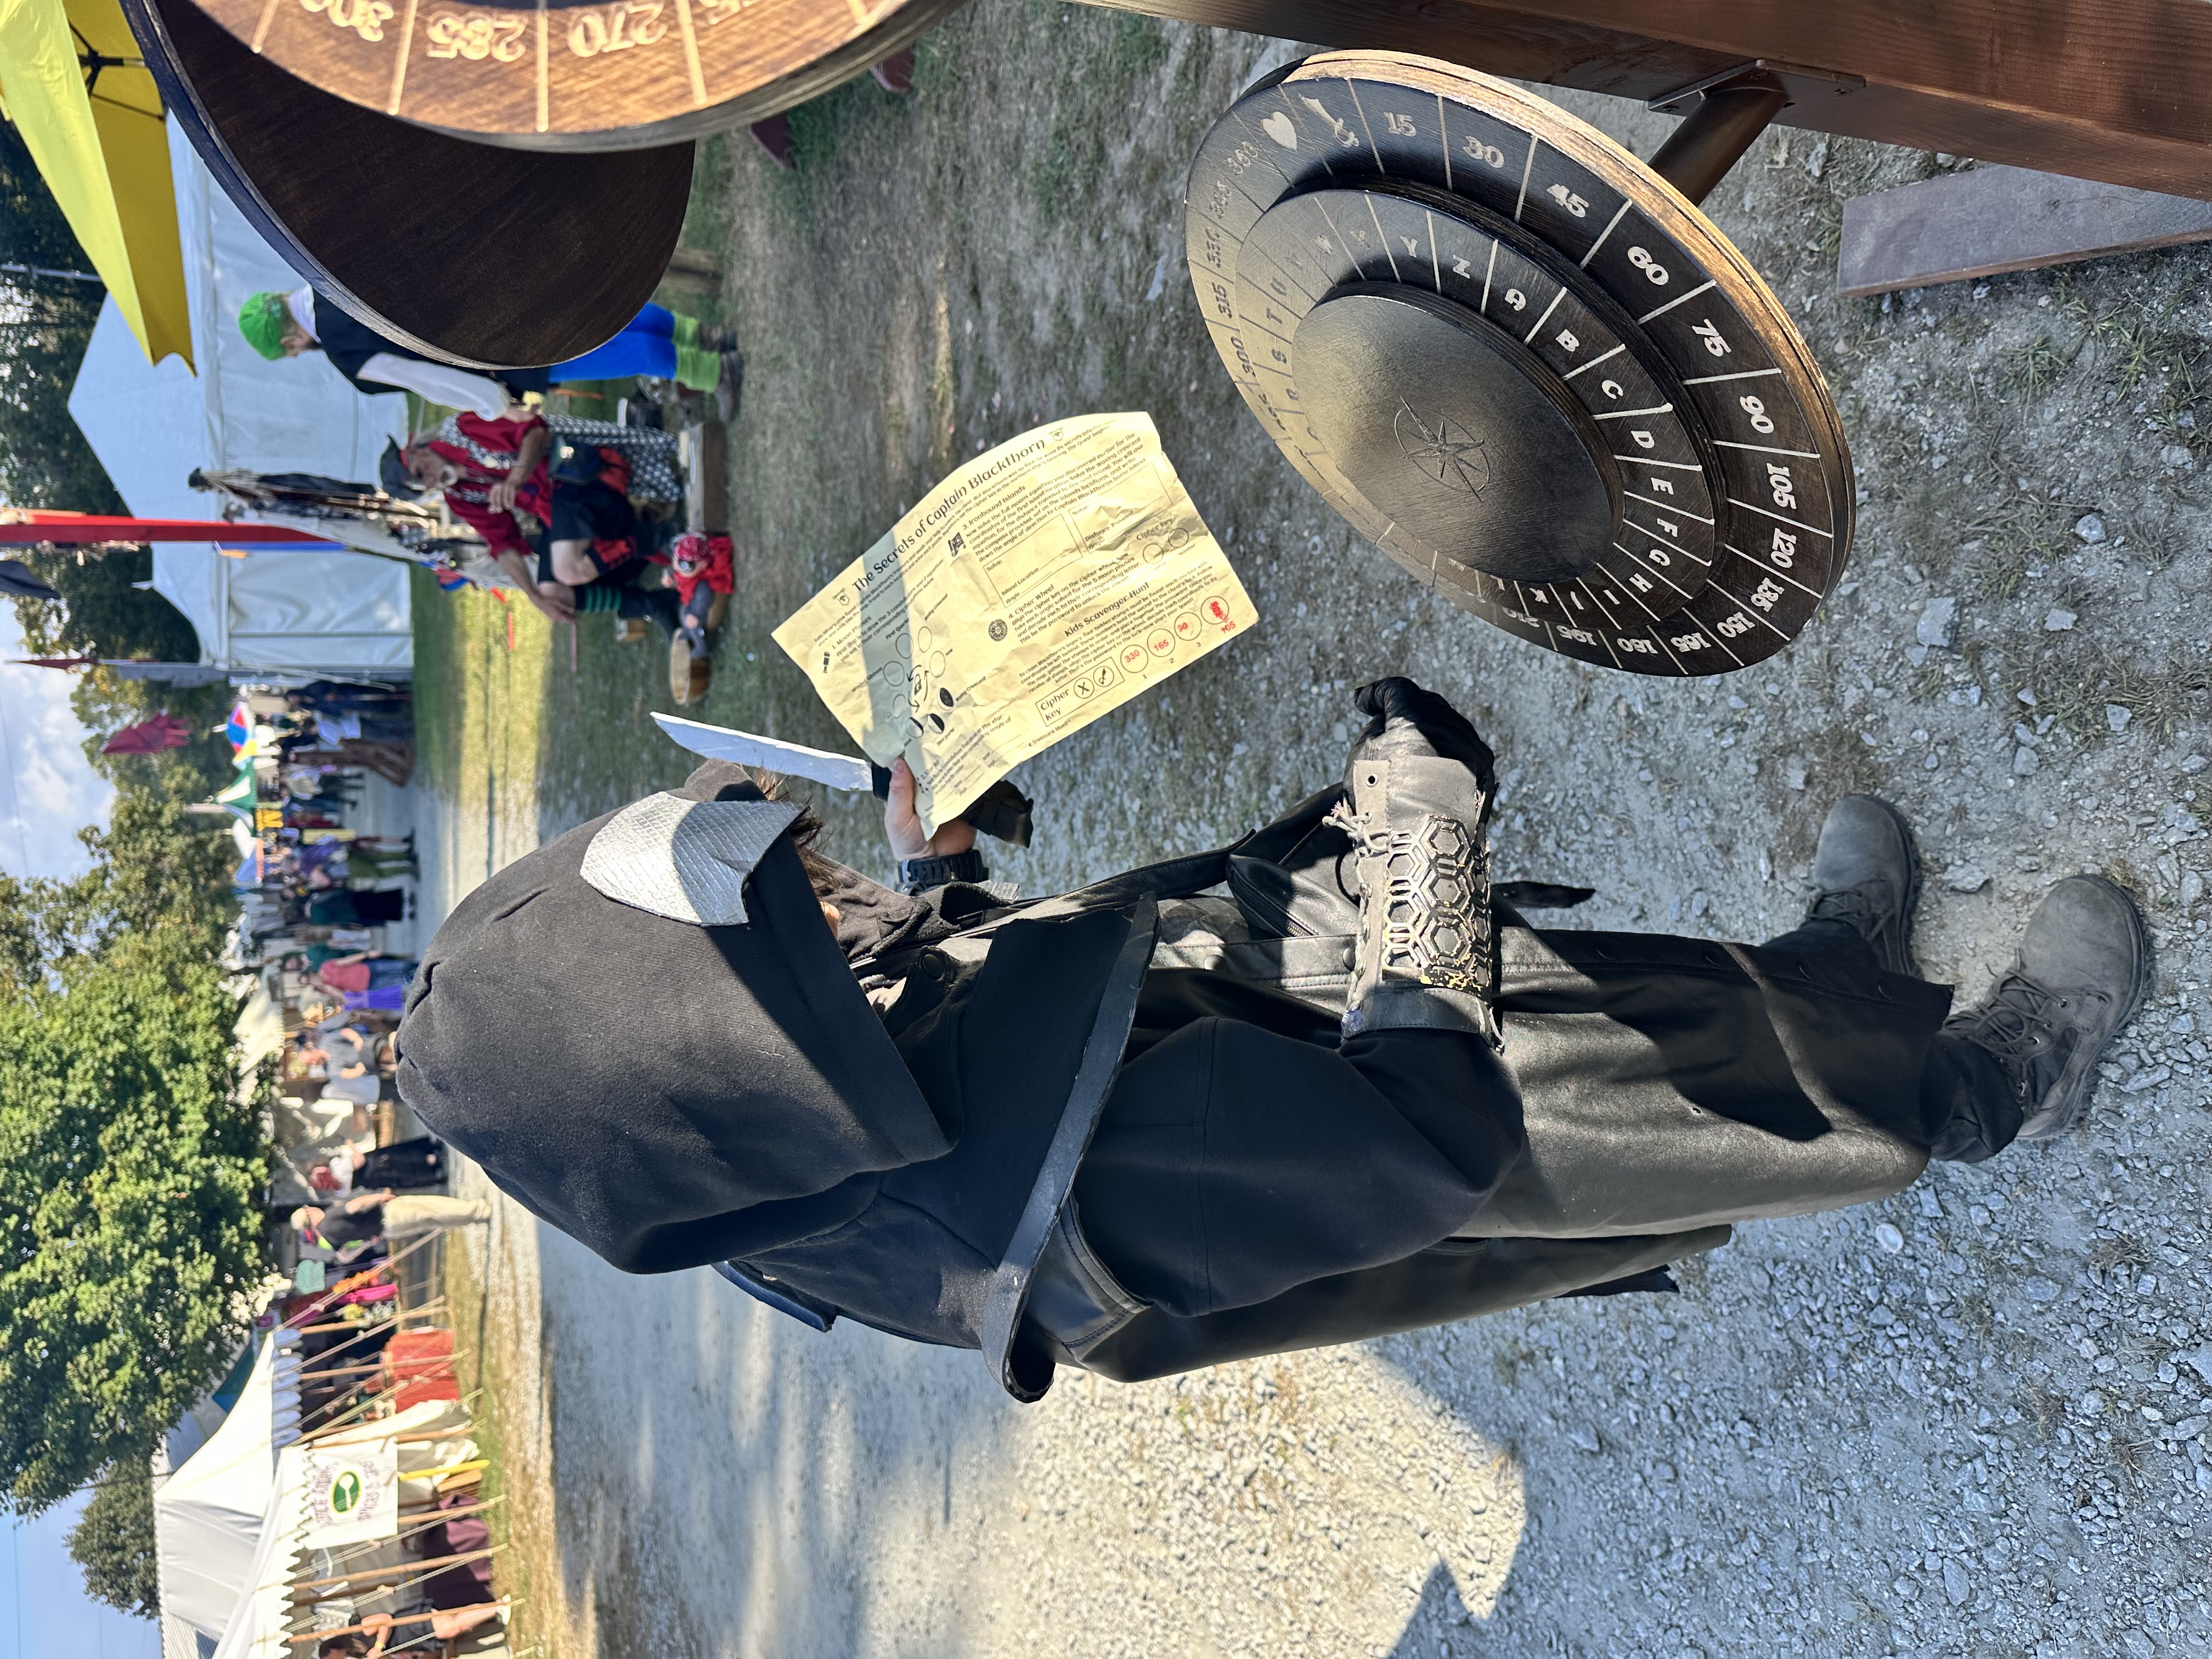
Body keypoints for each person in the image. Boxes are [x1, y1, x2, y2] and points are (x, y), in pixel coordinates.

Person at [396, 679, 2148, 1401]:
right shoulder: (1070, 1193)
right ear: (719, 1046)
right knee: (1704, 1094)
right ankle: (2000, 1083)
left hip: (1322, 1021)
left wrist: (938, 878)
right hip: (1449, 1103)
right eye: (781, 907)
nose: (814, 874)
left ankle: (1829, 961)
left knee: (1663, 997)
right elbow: (1424, 1124)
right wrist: (1424, 844)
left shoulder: (796, 1123)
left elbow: (969, 1011)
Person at [235, 288, 738, 418]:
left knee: (601, 353)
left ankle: (715, 371)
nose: (302, 353)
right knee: (602, 318)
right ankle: (706, 336)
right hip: (493, 294)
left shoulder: (345, 354)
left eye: (294, 352)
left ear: (288, 340)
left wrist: (496, 404)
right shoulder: (331, 272)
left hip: (491, 350)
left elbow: (427, 380)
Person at [294, 1190, 492, 1257]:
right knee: (434, 1207)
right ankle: (477, 1210)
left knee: (434, 1221)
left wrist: (368, 1243)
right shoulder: (330, 1217)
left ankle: (471, 1218)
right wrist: (379, 1196)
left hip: (388, 1231)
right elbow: (356, 1205)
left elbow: (345, 1256)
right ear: (308, 1214)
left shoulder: (329, 1238)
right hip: (387, 1213)